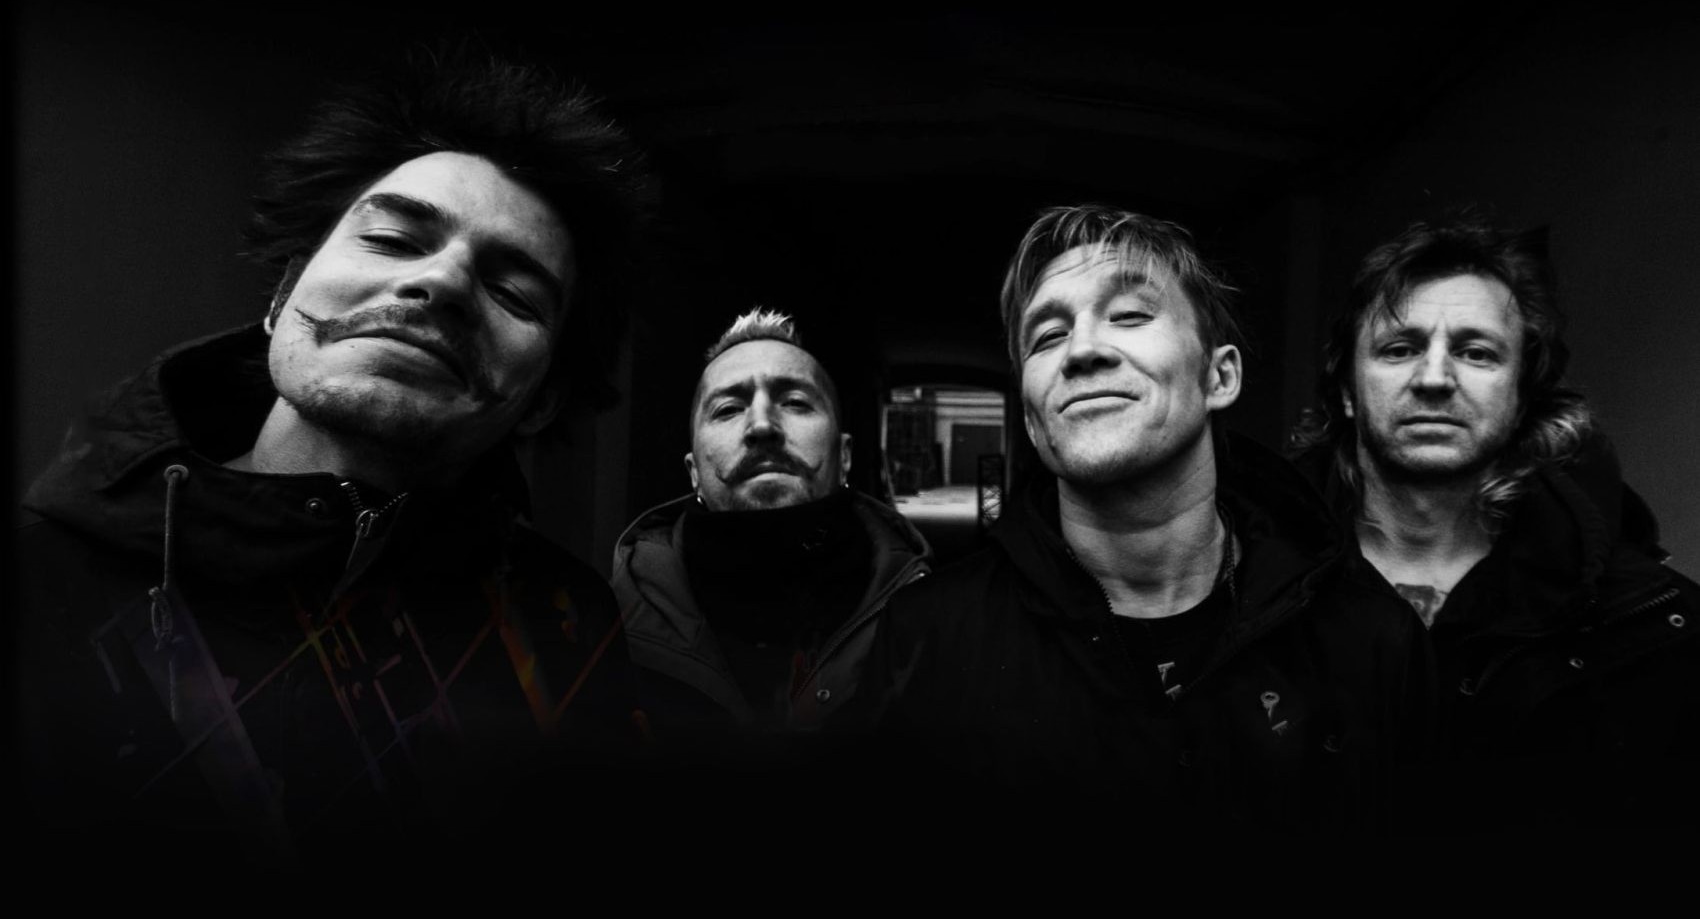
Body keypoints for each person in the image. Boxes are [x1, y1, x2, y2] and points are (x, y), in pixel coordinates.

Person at [16, 45, 654, 864]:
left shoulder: (566, 624)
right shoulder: (40, 588)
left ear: (544, 400)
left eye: (512, 293)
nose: (442, 283)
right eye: (391, 238)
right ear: (284, 297)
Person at [860, 204, 1431, 835]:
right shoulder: (927, 641)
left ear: (1219, 376)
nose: (1082, 350)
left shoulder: (1367, 638)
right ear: (1031, 419)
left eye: (1130, 316)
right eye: (1047, 337)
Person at [1291, 216, 1700, 831]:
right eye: (1399, 349)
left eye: (1476, 352)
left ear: (1522, 397)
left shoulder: (1654, 625)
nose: (1434, 379)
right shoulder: (1235, 586)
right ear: (1347, 390)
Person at [611, 309, 930, 757]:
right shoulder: (610, 620)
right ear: (693, 472)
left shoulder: (928, 617)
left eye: (795, 402)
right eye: (728, 409)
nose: (762, 426)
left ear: (845, 457)